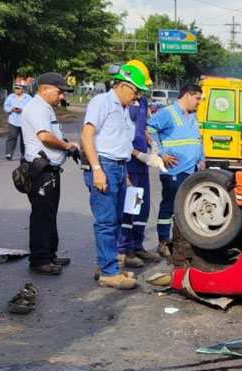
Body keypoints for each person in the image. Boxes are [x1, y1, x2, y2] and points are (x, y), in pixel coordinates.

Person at [81, 63, 149, 290]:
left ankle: (106, 264)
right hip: (105, 166)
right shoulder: (102, 102)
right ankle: (109, 273)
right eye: (135, 91)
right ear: (122, 85)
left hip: (119, 167)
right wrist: (97, 169)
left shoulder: (122, 109)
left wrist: (126, 174)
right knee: (106, 222)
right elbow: (87, 134)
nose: (137, 96)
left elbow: (120, 142)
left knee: (117, 220)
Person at [21, 72, 78, 275]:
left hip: (50, 169)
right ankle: (39, 260)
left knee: (50, 213)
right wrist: (67, 146)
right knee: (42, 215)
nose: (62, 96)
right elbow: (45, 136)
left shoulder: (45, 108)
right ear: (45, 89)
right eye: (59, 92)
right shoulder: (37, 108)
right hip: (41, 170)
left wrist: (68, 146)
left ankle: (50, 254)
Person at [147, 83, 205, 257]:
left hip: (192, 169)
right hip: (174, 170)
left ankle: (181, 242)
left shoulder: (192, 116)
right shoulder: (168, 113)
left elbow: (197, 139)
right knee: (169, 206)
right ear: (187, 95)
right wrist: (160, 153)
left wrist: (202, 159)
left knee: (187, 207)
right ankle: (163, 242)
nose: (199, 103)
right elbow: (149, 130)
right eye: (197, 99)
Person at [118, 59, 161, 266]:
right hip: (130, 162)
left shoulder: (142, 103)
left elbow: (142, 128)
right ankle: (124, 249)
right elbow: (122, 137)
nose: (141, 91)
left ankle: (137, 245)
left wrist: (152, 144)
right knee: (129, 207)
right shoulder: (121, 104)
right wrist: (139, 154)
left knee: (141, 207)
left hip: (142, 164)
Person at [2, 84, 31, 160]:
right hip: (13, 120)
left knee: (24, 138)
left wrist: (22, 110)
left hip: (25, 121)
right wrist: (11, 109)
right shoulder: (10, 97)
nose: (17, 90)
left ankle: (24, 154)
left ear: (23, 89)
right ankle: (9, 153)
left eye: (18, 88)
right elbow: (6, 106)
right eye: (15, 88)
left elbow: (32, 107)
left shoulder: (28, 98)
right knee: (12, 137)